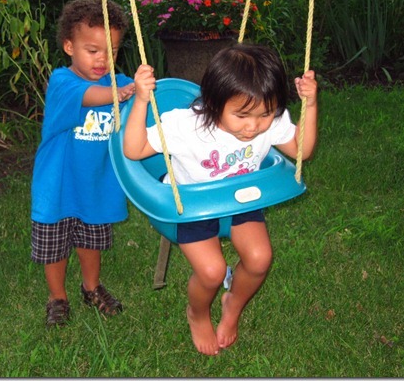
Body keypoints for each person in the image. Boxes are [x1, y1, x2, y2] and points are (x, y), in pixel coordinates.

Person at [124, 44, 318, 355]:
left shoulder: (270, 119)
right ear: (214, 103)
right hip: (191, 206)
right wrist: (141, 101)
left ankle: (233, 304)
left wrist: (310, 104)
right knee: (212, 272)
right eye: (241, 115)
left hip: (240, 201)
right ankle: (198, 314)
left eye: (265, 114)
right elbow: (133, 151)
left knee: (259, 259)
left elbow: (301, 151)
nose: (253, 127)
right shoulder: (185, 126)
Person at [30, 0, 141, 327]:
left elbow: (140, 109)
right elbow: (93, 96)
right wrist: (123, 92)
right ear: (69, 46)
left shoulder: (119, 83)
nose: (103, 60)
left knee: (91, 241)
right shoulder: (63, 82)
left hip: (96, 183)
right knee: (55, 247)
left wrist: (143, 90)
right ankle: (57, 297)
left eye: (112, 51)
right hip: (58, 185)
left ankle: (91, 288)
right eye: (92, 50)